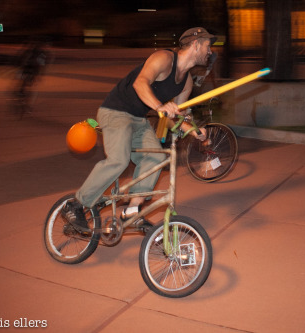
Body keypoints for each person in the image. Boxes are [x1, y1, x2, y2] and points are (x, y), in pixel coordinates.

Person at [62, 27, 216, 233]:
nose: (210, 51)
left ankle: (132, 212)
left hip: (138, 118)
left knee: (156, 159)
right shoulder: (163, 58)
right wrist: (160, 106)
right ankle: (76, 204)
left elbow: (174, 119)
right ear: (196, 44)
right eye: (208, 46)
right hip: (115, 111)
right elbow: (140, 83)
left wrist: (192, 129)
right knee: (119, 159)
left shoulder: (186, 83)